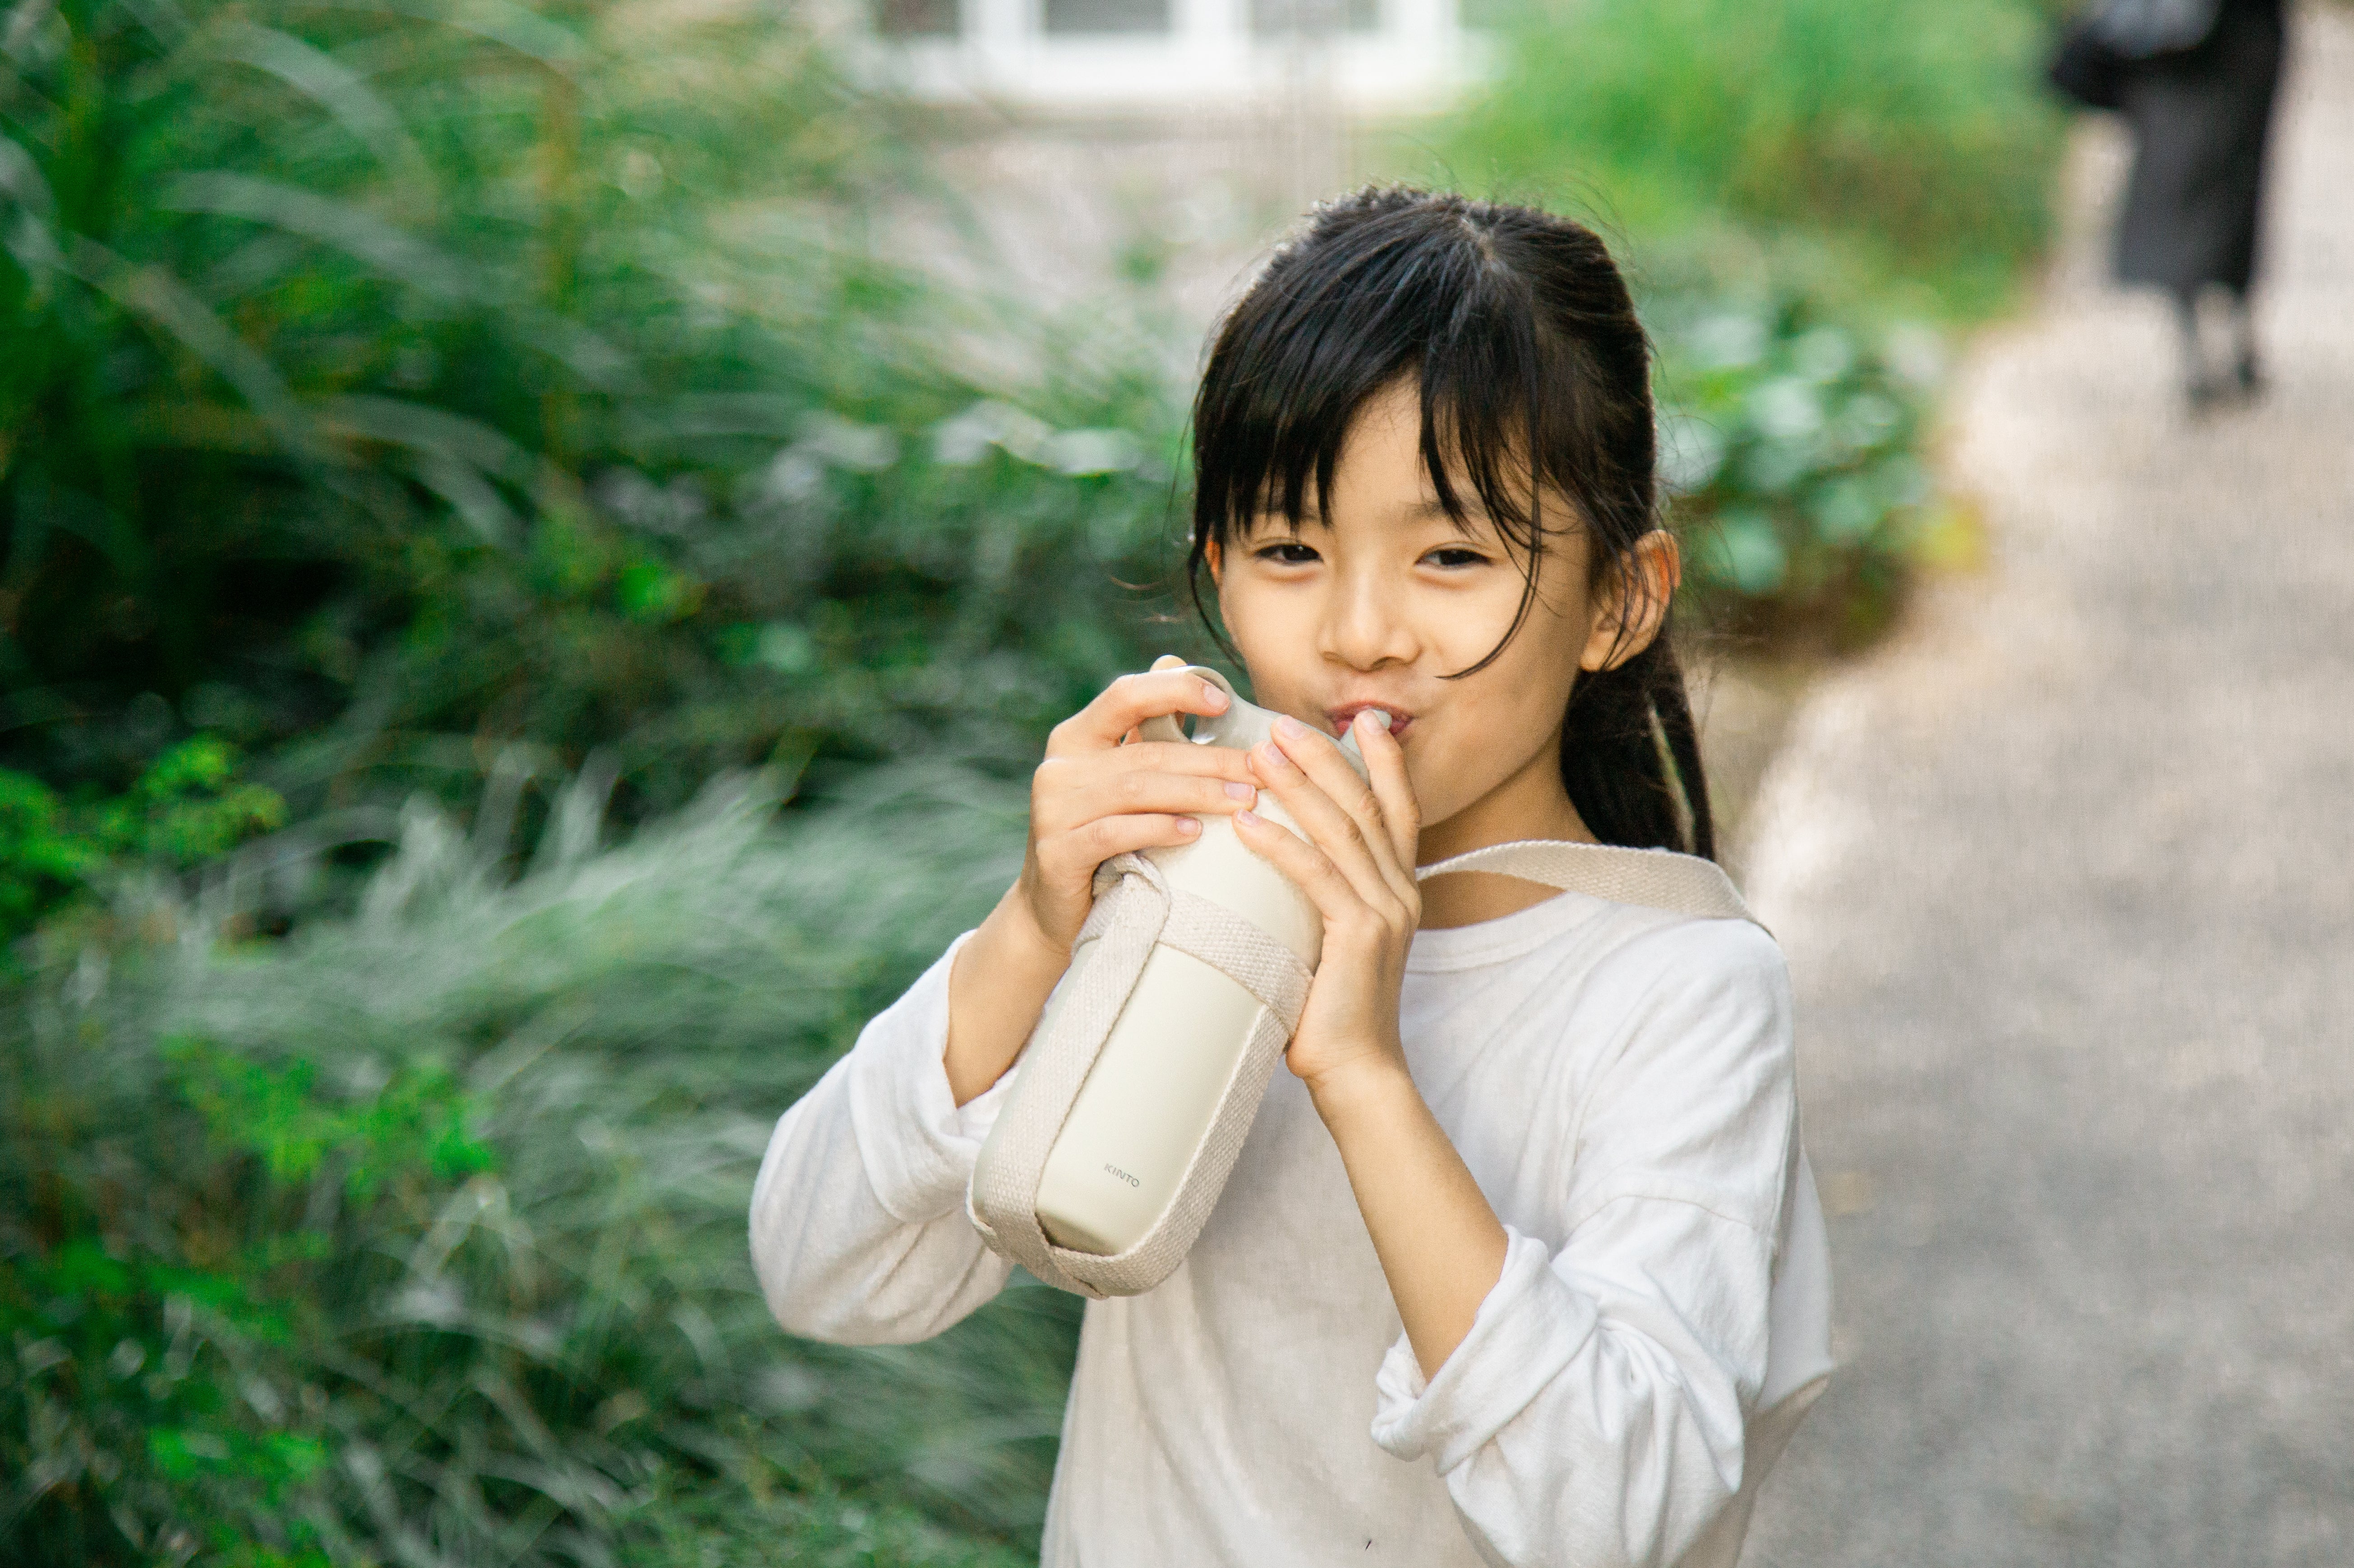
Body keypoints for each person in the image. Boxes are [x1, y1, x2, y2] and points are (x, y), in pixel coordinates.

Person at [749, 188, 1829, 1568]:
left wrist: (1363, 1075)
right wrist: (1031, 930)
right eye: (1287, 552)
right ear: (1216, 570)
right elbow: (822, 1271)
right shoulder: (1180, 890)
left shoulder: (1676, 990)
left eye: (1450, 556)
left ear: (1617, 600)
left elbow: (1619, 1514)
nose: (1358, 634)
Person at [2111, 0, 2289, 407]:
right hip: (2184, 37)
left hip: (2199, 36)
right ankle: (2218, 339)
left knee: (2207, 184)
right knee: (2214, 186)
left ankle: (2217, 339)